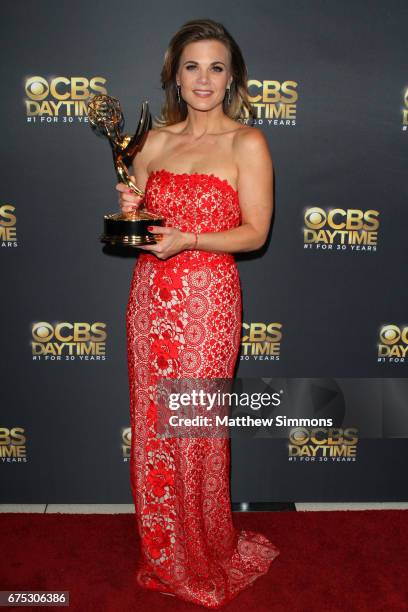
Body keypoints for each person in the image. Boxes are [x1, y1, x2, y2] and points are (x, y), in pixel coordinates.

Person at [117, 18, 279, 609]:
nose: (203, 78)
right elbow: (139, 228)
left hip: (208, 298)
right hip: (150, 296)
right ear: (175, 76)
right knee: (153, 423)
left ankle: (203, 547)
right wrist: (132, 212)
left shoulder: (247, 143)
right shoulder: (152, 142)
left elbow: (255, 233)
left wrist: (190, 241)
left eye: (216, 66)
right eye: (192, 66)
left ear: (231, 75)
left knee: (192, 425)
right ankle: (163, 549)